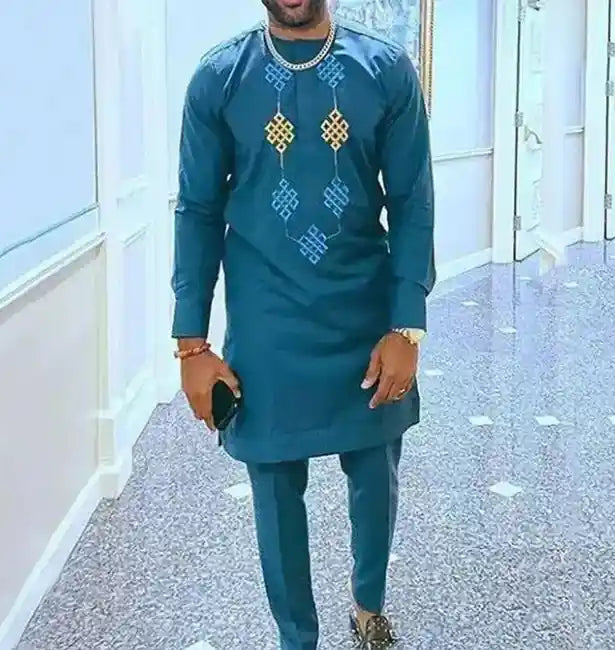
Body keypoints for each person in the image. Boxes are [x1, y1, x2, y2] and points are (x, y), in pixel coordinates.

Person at [171, 0, 435, 647]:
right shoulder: (219, 78)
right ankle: (297, 638)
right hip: (267, 325)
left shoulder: (385, 70)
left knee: (375, 479)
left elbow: (412, 201)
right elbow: (197, 210)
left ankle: (367, 605)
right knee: (274, 491)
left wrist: (407, 325)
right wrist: (191, 344)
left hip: (364, 318)